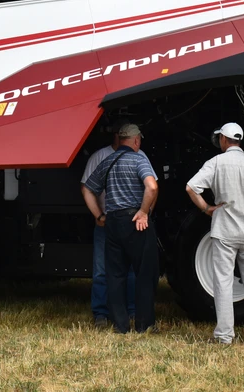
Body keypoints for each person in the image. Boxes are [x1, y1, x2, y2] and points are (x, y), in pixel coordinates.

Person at [185, 122, 244, 345]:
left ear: (223, 139)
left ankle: (224, 335)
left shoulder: (216, 162)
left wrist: (206, 208)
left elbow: (191, 187)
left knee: (223, 283)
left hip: (224, 231)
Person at [82, 123, 159, 334]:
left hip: (112, 222)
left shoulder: (107, 161)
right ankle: (144, 324)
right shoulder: (139, 159)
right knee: (144, 272)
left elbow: (87, 189)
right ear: (136, 140)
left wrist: (99, 216)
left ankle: (120, 325)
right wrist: (143, 212)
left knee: (115, 275)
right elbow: (152, 186)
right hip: (136, 222)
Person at [80, 125, 138, 328]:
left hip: (126, 221)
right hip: (110, 222)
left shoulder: (138, 156)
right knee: (103, 269)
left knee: (129, 269)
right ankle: (102, 313)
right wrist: (99, 215)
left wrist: (143, 213)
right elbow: (87, 188)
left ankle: (130, 310)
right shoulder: (101, 157)